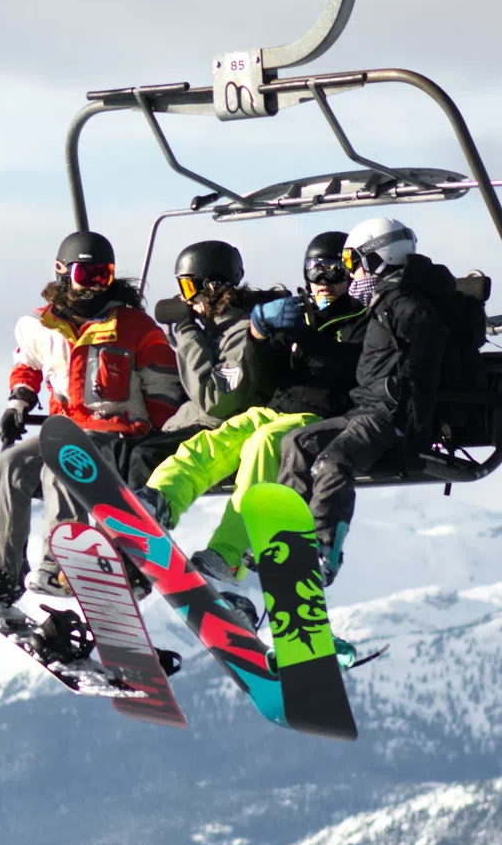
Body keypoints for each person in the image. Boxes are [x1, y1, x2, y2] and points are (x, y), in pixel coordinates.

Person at [132, 231, 368, 617]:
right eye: (315, 271)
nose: (323, 281)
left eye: (333, 271)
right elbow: (261, 374)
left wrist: (304, 336)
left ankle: (228, 555)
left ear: (351, 273)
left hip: (320, 414)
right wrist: (260, 334)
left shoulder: (361, 318)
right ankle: (158, 500)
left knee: (264, 445)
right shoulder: (299, 311)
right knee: (213, 443)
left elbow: (350, 369)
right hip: (276, 405)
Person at [0, 230, 181, 605]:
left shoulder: (134, 328)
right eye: (84, 276)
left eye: (102, 277)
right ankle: (2, 572)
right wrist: (19, 403)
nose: (93, 287)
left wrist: (152, 440)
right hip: (67, 429)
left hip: (117, 437)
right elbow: (26, 364)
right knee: (7, 465)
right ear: (61, 272)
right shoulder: (40, 326)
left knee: (62, 461)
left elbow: (163, 386)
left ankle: (65, 565)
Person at [277, 216, 456, 585]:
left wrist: (416, 430)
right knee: (295, 442)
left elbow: (425, 371)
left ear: (377, 259)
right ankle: (287, 537)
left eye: (350, 264)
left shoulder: (410, 307)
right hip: (365, 408)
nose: (351, 275)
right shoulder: (386, 301)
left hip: (389, 415)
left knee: (332, 461)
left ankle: (323, 546)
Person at [120, 239, 275, 488]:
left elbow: (214, 400)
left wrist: (185, 329)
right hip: (193, 424)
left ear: (213, 287)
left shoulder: (243, 334)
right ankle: (115, 522)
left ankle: (141, 524)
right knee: (123, 453)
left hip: (222, 430)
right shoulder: (213, 330)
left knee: (144, 457)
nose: (184, 298)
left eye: (189, 287)